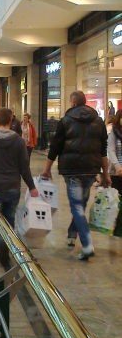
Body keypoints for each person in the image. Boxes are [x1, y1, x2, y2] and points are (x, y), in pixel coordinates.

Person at [41, 90, 110, 260]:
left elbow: (55, 147)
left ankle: (86, 244)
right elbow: (103, 151)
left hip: (72, 170)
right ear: (85, 102)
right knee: (80, 205)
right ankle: (72, 233)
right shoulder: (99, 122)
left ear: (72, 103)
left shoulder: (65, 121)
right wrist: (105, 174)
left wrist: (47, 168)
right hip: (90, 169)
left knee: (77, 206)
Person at [0, 107, 38, 269]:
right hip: (13, 187)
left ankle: (0, 240)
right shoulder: (18, 141)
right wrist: (32, 186)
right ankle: (8, 242)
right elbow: (24, 167)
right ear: (11, 121)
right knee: (9, 219)